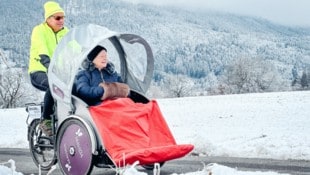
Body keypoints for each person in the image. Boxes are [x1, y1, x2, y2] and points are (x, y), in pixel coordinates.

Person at [28, 1, 69, 136]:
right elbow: (42, 50)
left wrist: (89, 58)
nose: (61, 20)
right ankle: (46, 120)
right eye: (57, 18)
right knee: (53, 85)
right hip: (39, 71)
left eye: (63, 17)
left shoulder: (66, 32)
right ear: (48, 19)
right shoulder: (39, 30)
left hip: (58, 73)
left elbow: (76, 48)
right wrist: (48, 64)